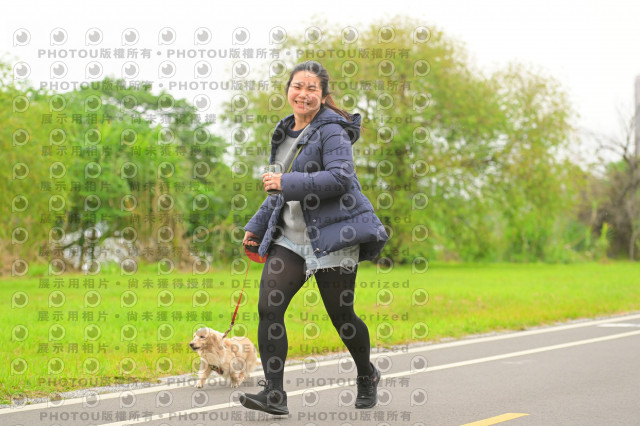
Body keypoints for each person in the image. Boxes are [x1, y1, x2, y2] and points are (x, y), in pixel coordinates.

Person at [239, 60, 389, 415]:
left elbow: (340, 178)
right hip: (290, 238)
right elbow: (277, 189)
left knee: (342, 316)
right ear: (288, 90)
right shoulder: (283, 132)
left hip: (333, 236)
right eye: (297, 86)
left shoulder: (332, 131)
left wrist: (285, 182)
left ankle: (366, 374)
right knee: (269, 308)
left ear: (323, 96)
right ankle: (274, 394)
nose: (303, 94)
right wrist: (256, 225)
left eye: (311, 88)